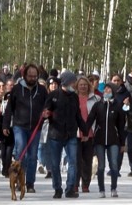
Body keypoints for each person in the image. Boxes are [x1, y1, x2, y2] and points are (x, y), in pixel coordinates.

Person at [2, 64, 49, 193]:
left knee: (33, 156)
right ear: (24, 75)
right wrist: (5, 125)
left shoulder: (42, 90)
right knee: (21, 150)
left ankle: (30, 183)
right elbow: (9, 108)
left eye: (35, 76)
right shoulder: (17, 89)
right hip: (19, 126)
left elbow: (48, 105)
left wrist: (46, 113)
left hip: (36, 127)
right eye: (30, 76)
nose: (33, 78)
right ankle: (19, 181)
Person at [42, 70, 88, 199]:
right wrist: (46, 114)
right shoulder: (53, 95)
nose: (74, 85)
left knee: (73, 162)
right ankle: (57, 188)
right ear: (67, 82)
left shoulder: (74, 97)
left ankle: (70, 189)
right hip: (55, 134)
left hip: (71, 134)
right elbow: (46, 110)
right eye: (73, 82)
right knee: (55, 164)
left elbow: (78, 115)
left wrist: (84, 130)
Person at [85, 83, 126, 198]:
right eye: (105, 89)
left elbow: (122, 126)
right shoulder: (98, 105)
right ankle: (101, 189)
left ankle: (113, 188)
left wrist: (122, 143)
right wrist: (84, 132)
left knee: (114, 164)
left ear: (113, 91)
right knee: (101, 166)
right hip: (100, 139)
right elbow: (90, 120)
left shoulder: (118, 106)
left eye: (109, 89)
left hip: (114, 140)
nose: (106, 91)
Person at [75, 76, 101, 193]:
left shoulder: (96, 99)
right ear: (77, 86)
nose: (83, 86)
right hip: (76, 133)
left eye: (85, 84)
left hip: (90, 133)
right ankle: (74, 184)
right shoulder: (73, 98)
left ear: (89, 86)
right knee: (76, 161)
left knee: (87, 161)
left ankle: (85, 184)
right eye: (81, 85)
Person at [109, 74, 132, 177]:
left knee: (120, 147)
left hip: (122, 124)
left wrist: (127, 105)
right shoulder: (107, 93)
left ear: (122, 82)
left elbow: (129, 111)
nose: (116, 82)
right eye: (114, 80)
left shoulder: (126, 94)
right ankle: (111, 167)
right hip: (110, 124)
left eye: (118, 80)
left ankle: (117, 168)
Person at [38, 77, 59, 179]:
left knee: (53, 148)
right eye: (51, 84)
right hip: (45, 124)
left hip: (57, 125)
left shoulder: (61, 95)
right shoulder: (45, 96)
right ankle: (45, 166)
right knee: (44, 146)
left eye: (55, 84)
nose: (53, 86)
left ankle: (53, 169)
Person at [0, 78, 15, 178]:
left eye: (12, 85)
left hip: (13, 127)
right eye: (9, 85)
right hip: (3, 126)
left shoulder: (16, 97)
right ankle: (4, 166)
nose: (11, 87)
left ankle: (6, 169)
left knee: (9, 150)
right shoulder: (4, 97)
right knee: (3, 151)